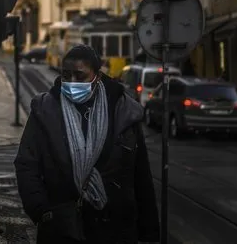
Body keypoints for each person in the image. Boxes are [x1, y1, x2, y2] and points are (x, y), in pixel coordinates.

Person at [14, 44, 160, 244]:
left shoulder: (124, 112)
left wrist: (149, 232)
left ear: (97, 76)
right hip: (61, 227)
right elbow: (26, 163)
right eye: (66, 75)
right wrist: (41, 211)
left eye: (80, 76)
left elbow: (140, 175)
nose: (72, 82)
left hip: (116, 229)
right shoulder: (45, 110)